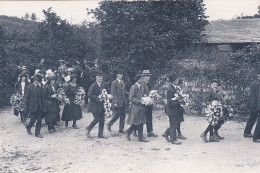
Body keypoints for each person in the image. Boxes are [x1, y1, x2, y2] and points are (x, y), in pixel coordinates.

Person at [126, 73, 149, 142]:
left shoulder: (142, 87)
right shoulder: (133, 87)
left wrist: (146, 99)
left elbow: (143, 95)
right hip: (135, 107)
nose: (143, 80)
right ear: (138, 80)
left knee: (141, 122)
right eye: (141, 79)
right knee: (137, 122)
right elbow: (130, 97)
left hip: (141, 106)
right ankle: (129, 132)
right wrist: (139, 101)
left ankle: (140, 137)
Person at [86, 70, 108, 139]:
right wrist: (98, 97)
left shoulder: (102, 85)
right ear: (96, 78)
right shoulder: (93, 86)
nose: (100, 79)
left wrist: (107, 96)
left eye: (101, 77)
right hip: (94, 106)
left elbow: (104, 94)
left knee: (102, 120)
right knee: (97, 119)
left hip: (101, 105)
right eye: (99, 77)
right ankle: (88, 128)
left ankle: (100, 134)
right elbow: (89, 95)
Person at [162, 74, 182, 145]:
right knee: (173, 124)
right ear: (173, 81)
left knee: (175, 123)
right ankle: (173, 139)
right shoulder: (170, 89)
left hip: (175, 109)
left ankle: (166, 133)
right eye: (176, 80)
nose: (178, 81)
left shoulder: (175, 88)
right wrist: (178, 101)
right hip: (171, 109)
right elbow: (169, 101)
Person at [24, 73, 46, 138]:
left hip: (39, 107)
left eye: (38, 81)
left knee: (39, 120)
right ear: (34, 80)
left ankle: (37, 133)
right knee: (32, 120)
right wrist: (26, 108)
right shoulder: (29, 88)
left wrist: (44, 107)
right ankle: (28, 127)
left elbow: (42, 99)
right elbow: (26, 98)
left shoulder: (41, 88)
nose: (37, 82)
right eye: (36, 80)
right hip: (32, 107)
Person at [107, 69, 127, 133]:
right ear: (117, 75)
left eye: (122, 74)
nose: (121, 75)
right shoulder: (114, 82)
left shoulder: (123, 82)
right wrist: (115, 102)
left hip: (123, 101)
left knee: (123, 115)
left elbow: (123, 92)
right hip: (117, 101)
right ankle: (109, 124)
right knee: (117, 114)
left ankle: (121, 129)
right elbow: (113, 93)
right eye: (119, 74)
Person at [245, 69, 260, 143]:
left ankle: (247, 132)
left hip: (252, 104)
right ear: (258, 75)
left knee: (252, 118)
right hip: (257, 105)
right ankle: (256, 137)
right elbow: (258, 96)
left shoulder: (254, 82)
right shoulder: (258, 84)